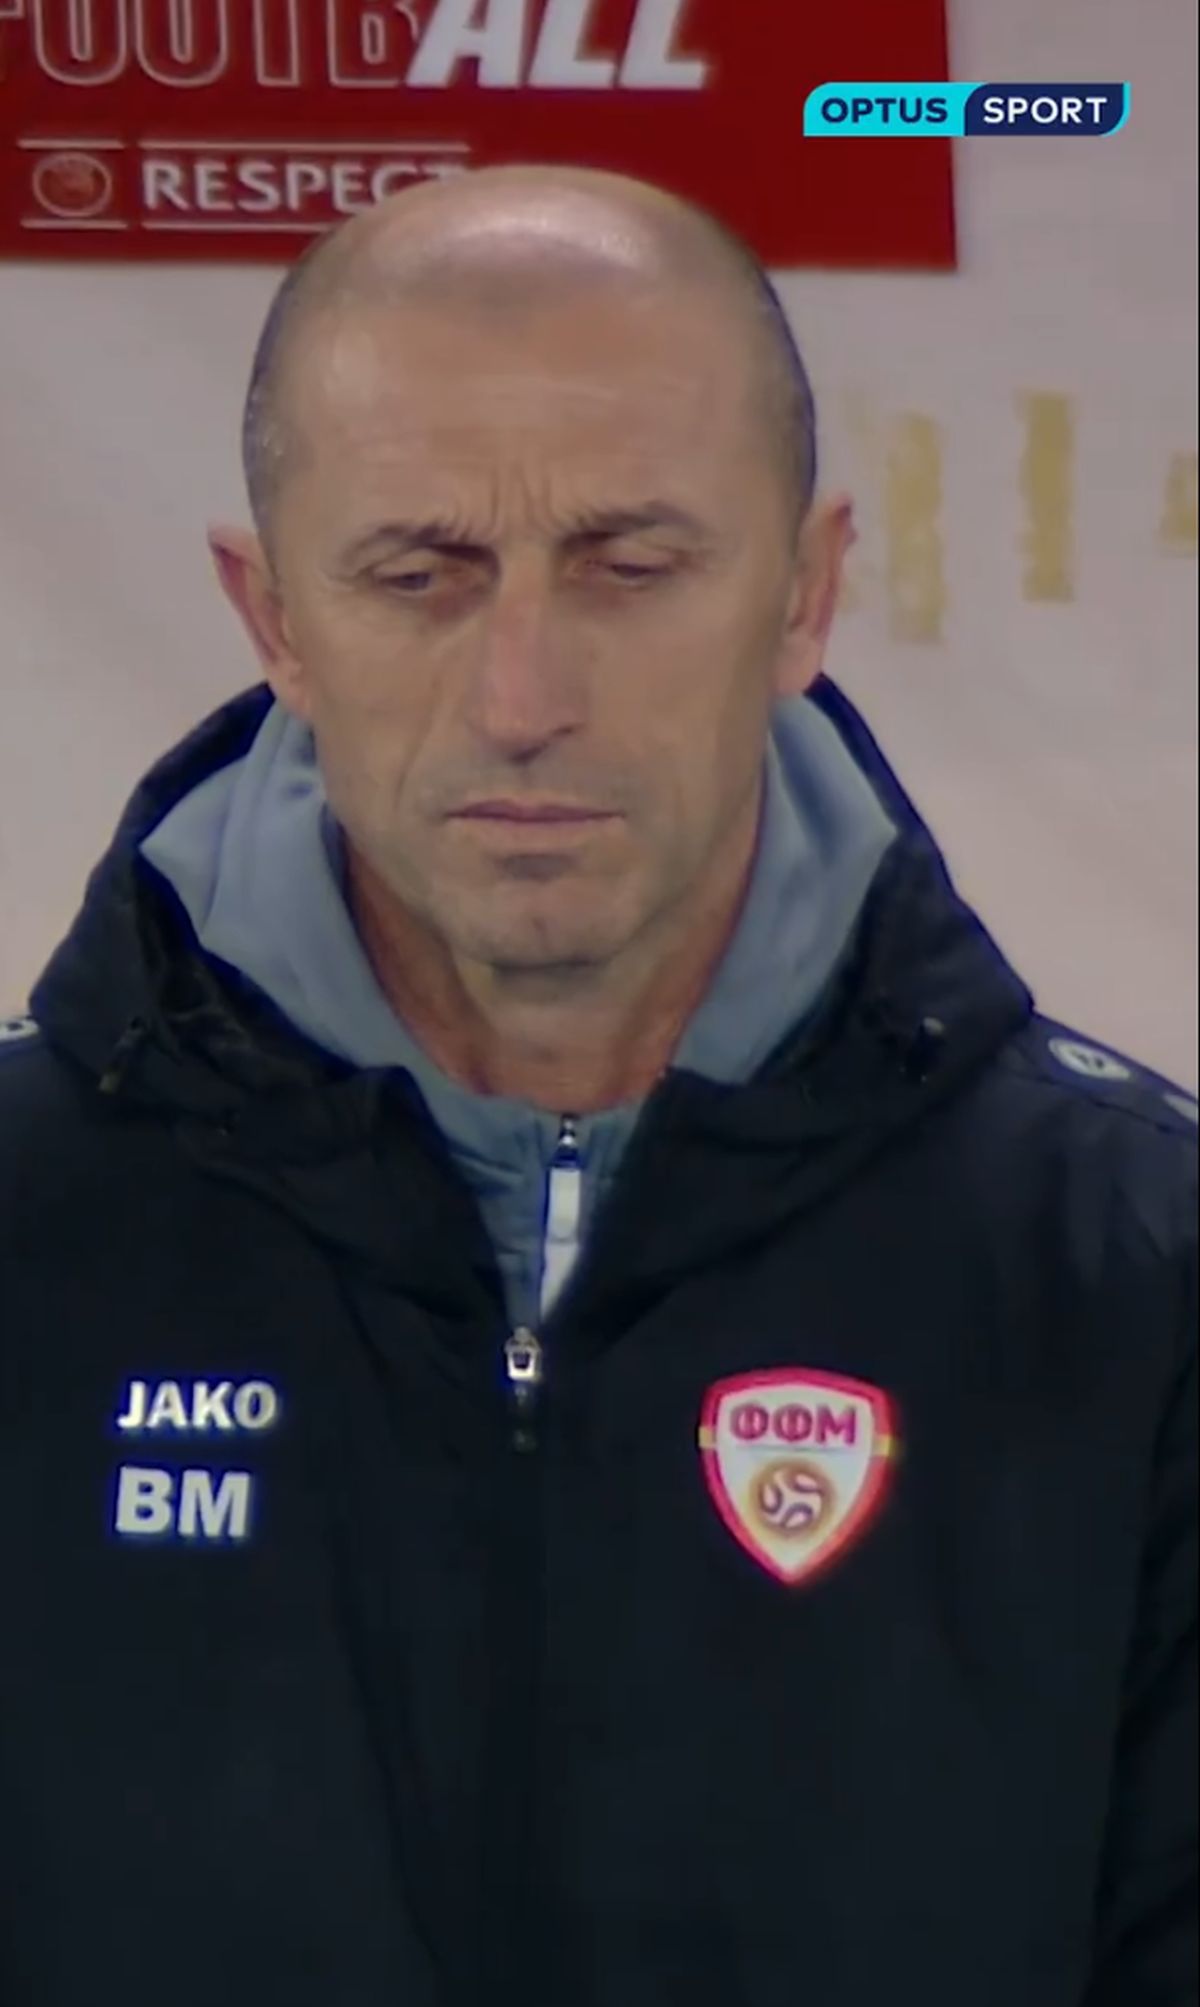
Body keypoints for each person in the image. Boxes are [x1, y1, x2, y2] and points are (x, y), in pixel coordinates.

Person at [0, 165, 1194, 2007]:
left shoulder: (1139, 1273)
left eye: (631, 567)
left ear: (804, 594)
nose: (523, 695)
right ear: (274, 618)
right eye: (420, 575)